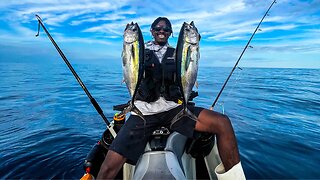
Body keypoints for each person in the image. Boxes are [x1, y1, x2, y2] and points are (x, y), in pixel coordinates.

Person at [97, 17, 245, 179]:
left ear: (171, 33)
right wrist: (128, 40)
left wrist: (195, 43)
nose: (162, 31)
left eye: (166, 29)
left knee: (222, 123)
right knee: (108, 168)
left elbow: (190, 65)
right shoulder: (139, 50)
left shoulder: (178, 53)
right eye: (158, 29)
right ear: (151, 31)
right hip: (143, 113)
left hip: (175, 111)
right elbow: (128, 60)